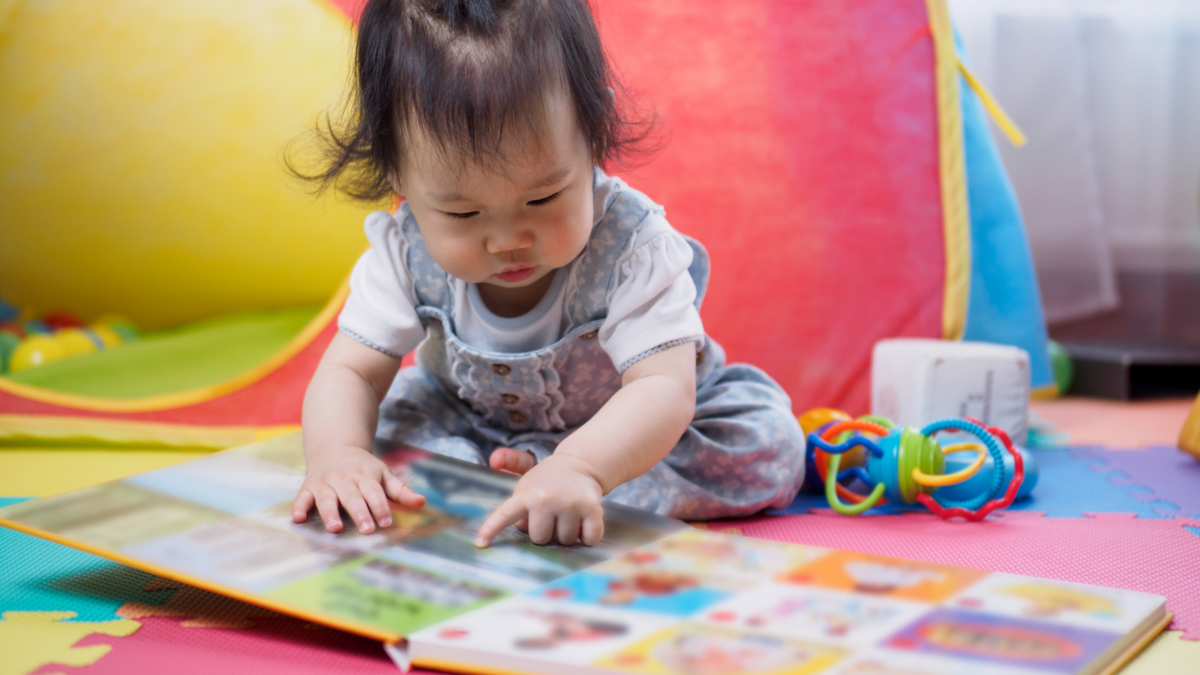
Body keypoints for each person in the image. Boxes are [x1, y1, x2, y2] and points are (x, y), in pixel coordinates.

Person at [290, 0, 804, 548]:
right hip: (471, 420)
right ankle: (516, 481)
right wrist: (336, 456)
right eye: (463, 213)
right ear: (396, 168)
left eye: (543, 198)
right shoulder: (403, 247)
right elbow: (353, 372)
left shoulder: (632, 245)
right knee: (387, 435)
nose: (508, 239)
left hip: (634, 433)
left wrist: (580, 465)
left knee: (768, 444)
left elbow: (662, 388)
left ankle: (548, 484)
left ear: (593, 133)